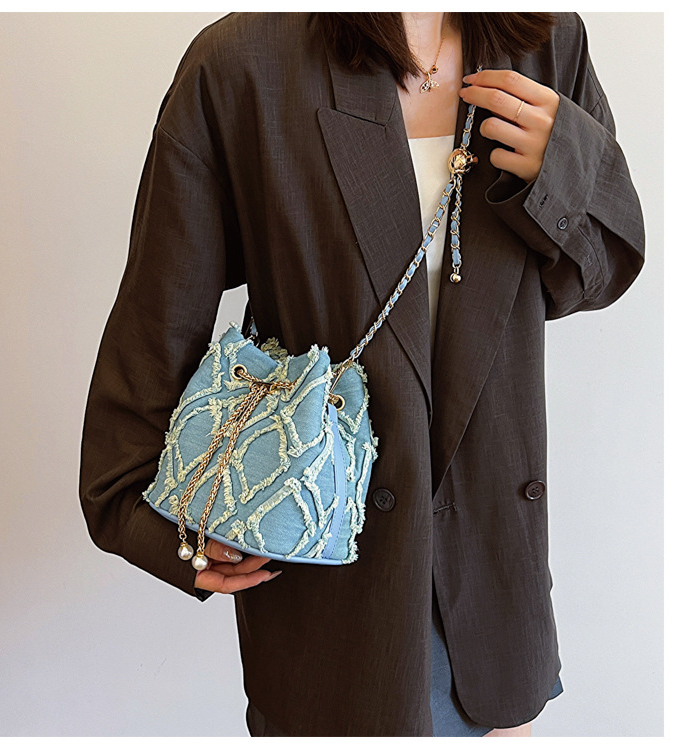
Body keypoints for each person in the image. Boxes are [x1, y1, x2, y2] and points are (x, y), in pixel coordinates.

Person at [78, 12, 645, 737]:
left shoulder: (544, 40)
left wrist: (562, 163)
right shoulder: (242, 63)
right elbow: (161, 307)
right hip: (335, 579)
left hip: (497, 580)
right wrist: (152, 517)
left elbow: (591, 277)